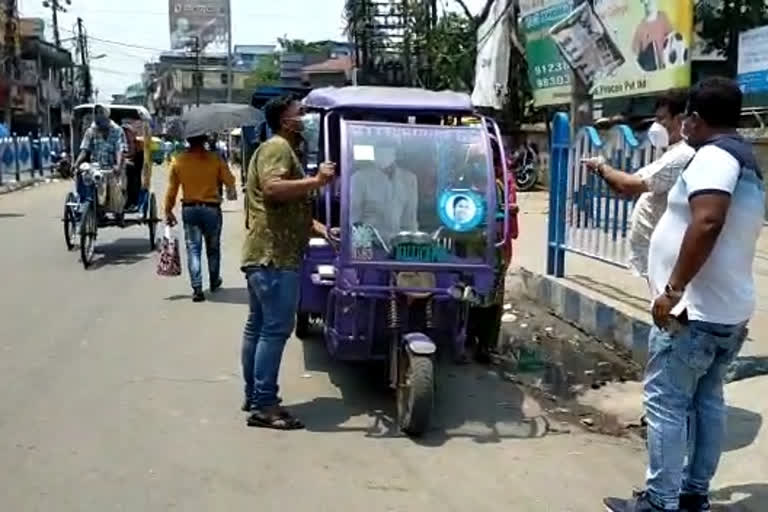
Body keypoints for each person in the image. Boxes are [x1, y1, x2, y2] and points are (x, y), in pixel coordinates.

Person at [604, 78, 765, 512]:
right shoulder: (745, 161)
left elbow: (707, 222)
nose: (680, 126)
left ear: (695, 118)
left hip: (693, 312)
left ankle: (660, 502)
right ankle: (693, 496)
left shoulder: (713, 158)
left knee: (666, 405)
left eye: (684, 118)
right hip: (725, 311)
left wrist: (672, 289)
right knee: (708, 400)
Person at [241, 94, 335, 429]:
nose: (306, 118)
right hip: (274, 256)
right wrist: (317, 182)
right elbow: (273, 190)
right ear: (285, 120)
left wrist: (322, 228)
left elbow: (287, 207)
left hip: (263, 254)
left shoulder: (277, 148)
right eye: (301, 113)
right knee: (275, 330)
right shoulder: (278, 148)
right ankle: (265, 404)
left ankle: (255, 394)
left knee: (259, 327)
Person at [583, 90, 695, 278]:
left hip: (669, 256)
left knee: (669, 305)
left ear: (681, 119)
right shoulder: (671, 152)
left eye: (662, 119)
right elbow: (626, 185)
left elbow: (628, 185)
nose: (657, 126)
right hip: (657, 253)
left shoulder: (682, 155)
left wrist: (601, 167)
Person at [164, 134, 236, 303]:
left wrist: (168, 210)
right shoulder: (215, 158)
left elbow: (172, 190)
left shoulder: (178, 160)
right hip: (211, 209)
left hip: (189, 209)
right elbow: (230, 181)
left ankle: (197, 288)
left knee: (193, 249)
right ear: (204, 140)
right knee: (213, 248)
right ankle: (214, 280)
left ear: (187, 140)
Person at [350, 139, 418, 243]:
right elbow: (354, 219)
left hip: (398, 244)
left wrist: (412, 243)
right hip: (369, 244)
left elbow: (410, 219)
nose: (381, 153)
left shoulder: (409, 179)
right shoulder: (359, 178)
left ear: (394, 153)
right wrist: (362, 247)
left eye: (385, 149)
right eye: (378, 149)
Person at [75, 104, 128, 216]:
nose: (98, 116)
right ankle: (83, 203)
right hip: (96, 167)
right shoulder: (90, 131)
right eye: (96, 113)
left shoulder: (117, 131)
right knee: (82, 173)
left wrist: (118, 165)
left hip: (113, 167)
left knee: (116, 185)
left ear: (107, 115)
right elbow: (84, 150)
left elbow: (120, 149)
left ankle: (114, 207)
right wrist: (76, 164)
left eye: (101, 113)